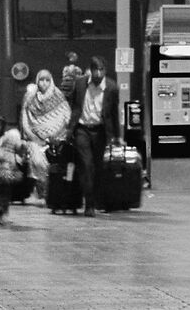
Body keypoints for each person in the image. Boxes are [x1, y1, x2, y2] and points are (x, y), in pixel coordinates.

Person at [67, 57, 119, 216]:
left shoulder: (111, 87)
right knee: (86, 164)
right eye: (96, 70)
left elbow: (113, 114)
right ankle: (89, 204)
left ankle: (95, 200)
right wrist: (70, 128)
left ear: (105, 71)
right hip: (82, 129)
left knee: (97, 167)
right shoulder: (80, 84)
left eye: (101, 70)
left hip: (100, 131)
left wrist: (117, 137)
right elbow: (73, 106)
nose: (98, 73)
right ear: (90, 70)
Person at [21, 68, 72, 189]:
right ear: (37, 81)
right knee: (37, 160)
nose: (44, 83)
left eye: (47, 80)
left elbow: (66, 118)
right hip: (35, 140)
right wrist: (35, 137)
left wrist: (57, 136)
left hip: (58, 140)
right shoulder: (30, 98)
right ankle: (42, 185)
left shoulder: (58, 97)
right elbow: (25, 120)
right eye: (41, 80)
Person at [0, 113, 27, 225]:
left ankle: (3, 214)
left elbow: (19, 150)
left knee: (5, 194)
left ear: (2, 127)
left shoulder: (10, 138)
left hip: (8, 171)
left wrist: (22, 147)